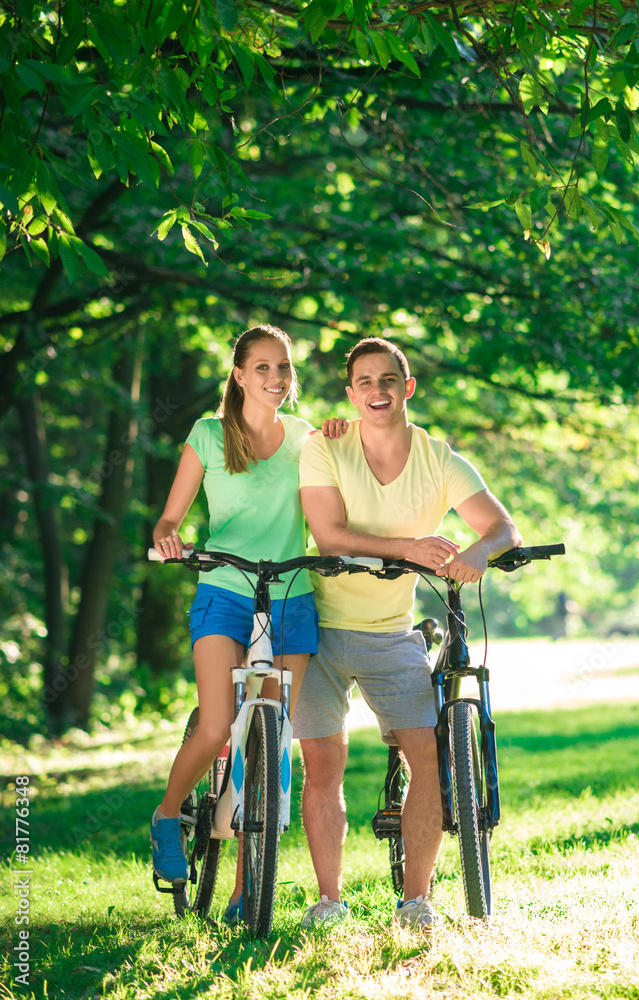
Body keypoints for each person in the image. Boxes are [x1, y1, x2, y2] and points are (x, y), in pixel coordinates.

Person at [294, 336, 523, 930]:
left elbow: (503, 528)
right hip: (316, 626)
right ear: (351, 393)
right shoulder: (326, 446)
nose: (376, 391)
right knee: (324, 765)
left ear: (407, 387)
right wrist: (410, 549)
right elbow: (330, 537)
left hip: (390, 634)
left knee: (429, 757)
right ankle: (329, 901)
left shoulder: (439, 459)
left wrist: (476, 550)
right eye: (364, 382)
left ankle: (416, 901)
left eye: (387, 381)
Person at [150, 324, 344, 924]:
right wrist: (168, 538)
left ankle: (245, 887)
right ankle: (166, 814)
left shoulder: (310, 439)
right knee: (214, 729)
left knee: (271, 745)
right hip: (224, 593)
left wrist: (342, 434)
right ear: (238, 375)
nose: (274, 378)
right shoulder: (208, 436)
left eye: (283, 368)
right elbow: (169, 519)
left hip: (291, 596)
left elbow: (348, 476)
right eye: (261, 367)